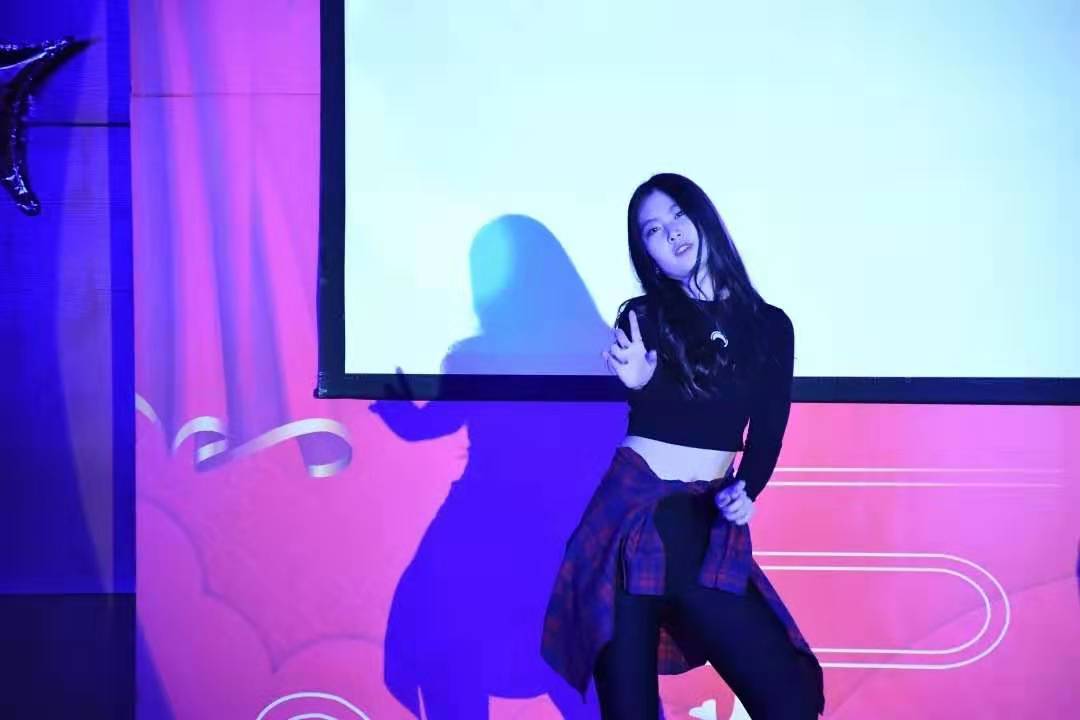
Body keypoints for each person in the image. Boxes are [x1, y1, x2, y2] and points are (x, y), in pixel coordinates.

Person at [541, 173, 824, 719]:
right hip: (629, 517)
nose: (670, 233)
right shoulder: (644, 318)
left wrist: (748, 488)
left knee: (792, 698)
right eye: (652, 230)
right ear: (646, 253)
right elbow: (662, 405)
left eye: (677, 215)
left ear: (703, 217)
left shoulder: (770, 326)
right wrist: (642, 382)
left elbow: (767, 430)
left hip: (700, 519)